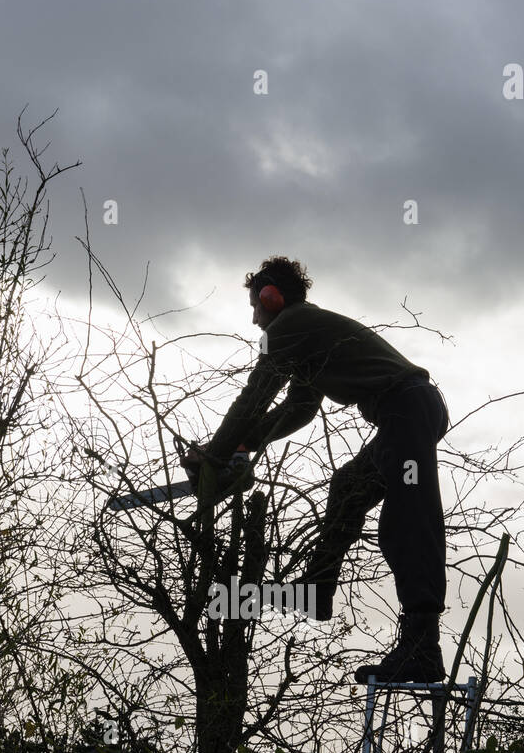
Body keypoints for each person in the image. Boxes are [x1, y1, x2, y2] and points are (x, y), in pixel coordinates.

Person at [184, 256, 449, 683]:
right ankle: (318, 592)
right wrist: (242, 444)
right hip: (408, 412)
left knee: (408, 521)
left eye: (255, 306)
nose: (254, 319)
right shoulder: (307, 334)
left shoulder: (290, 326)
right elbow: (299, 408)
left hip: (408, 410)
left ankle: (422, 648)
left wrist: (215, 454)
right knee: (348, 488)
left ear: (273, 298)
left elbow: (254, 395)